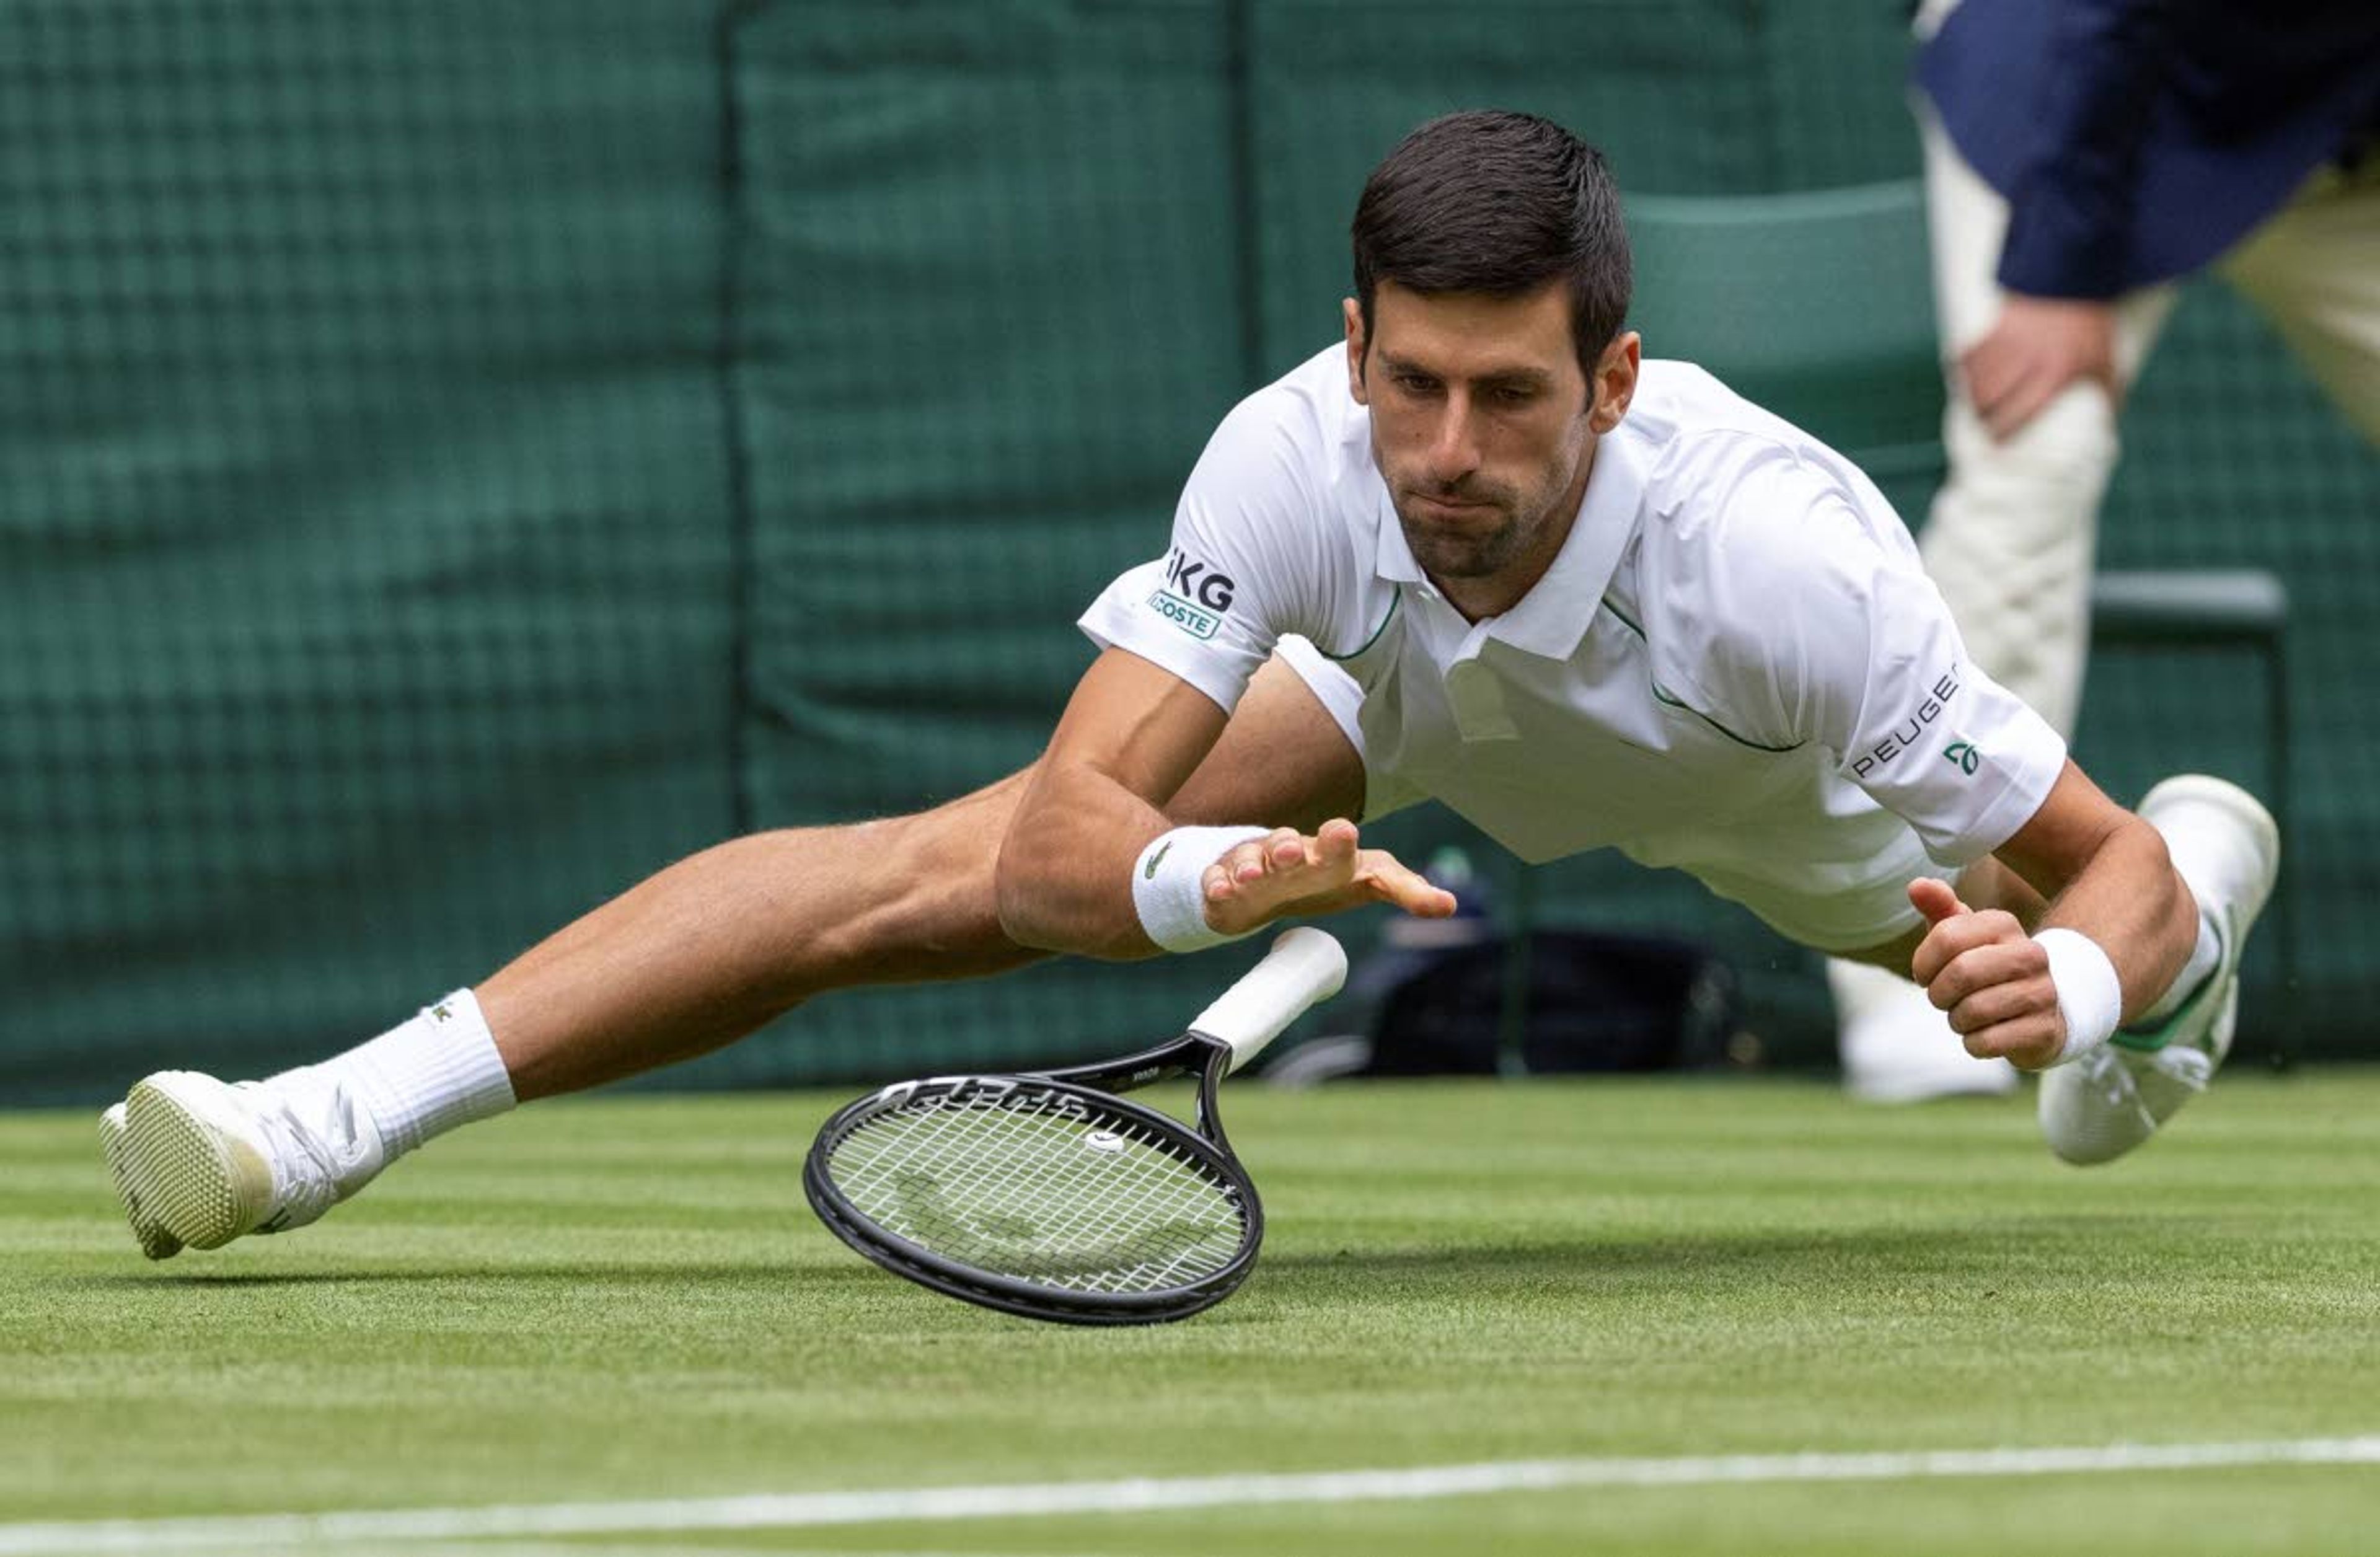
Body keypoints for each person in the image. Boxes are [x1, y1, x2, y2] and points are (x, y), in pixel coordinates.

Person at [104, 110, 2279, 1261]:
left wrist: (2084, 984)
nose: (1449, 453)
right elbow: (1065, 840)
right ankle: (318, 1129)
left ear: (1615, 380)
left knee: (2109, 1001)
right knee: (923, 878)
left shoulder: (1792, 561)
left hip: (1788, 804)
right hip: (1409, 704)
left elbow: (2082, 868)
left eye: (1509, 398)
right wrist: (1202, 880)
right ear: (1354, 349)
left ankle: (2192, 951)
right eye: (1407, 384)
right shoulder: (1305, 467)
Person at [1834, 0, 2378, 1101]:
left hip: (2330, 132)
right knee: (2037, 458)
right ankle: (1925, 971)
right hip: (2076, 72)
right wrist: (2056, 272)